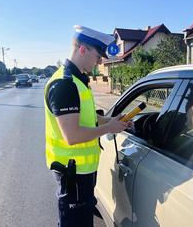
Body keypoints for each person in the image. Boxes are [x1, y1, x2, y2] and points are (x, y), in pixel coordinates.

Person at [44, 25, 131, 227]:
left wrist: (112, 121)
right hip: (72, 173)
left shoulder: (77, 80)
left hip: (81, 171)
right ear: (82, 49)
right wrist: (109, 129)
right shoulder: (65, 85)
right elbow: (72, 135)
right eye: (98, 55)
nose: (100, 61)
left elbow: (88, 120)